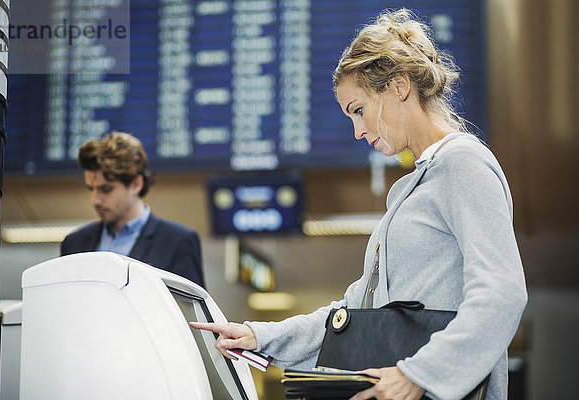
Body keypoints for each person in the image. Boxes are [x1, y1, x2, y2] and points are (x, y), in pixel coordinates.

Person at [191, 8, 527, 400]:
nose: (357, 131)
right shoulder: (414, 187)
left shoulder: (461, 164)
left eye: (358, 110)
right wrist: (258, 335)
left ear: (399, 87)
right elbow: (353, 315)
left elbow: (503, 293)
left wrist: (420, 374)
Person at [60, 132, 205, 288]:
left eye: (106, 189)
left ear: (136, 184)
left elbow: (187, 311)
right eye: (91, 189)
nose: (95, 200)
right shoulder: (74, 243)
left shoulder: (178, 242)